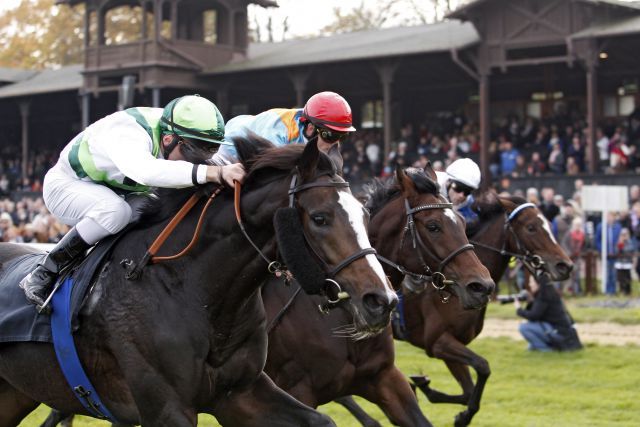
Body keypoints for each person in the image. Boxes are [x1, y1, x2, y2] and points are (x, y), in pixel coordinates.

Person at [20, 95, 246, 309]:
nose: (193, 162)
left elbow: (220, 163)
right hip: (66, 186)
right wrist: (212, 173)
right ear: (168, 139)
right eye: (191, 156)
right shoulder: (128, 130)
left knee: (155, 213)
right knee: (115, 212)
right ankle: (44, 272)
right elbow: (146, 172)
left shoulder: (180, 132)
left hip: (117, 191)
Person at [213, 91, 356, 164]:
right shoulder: (277, 134)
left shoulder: (313, 119)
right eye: (331, 136)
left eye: (342, 136)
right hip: (229, 148)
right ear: (311, 128)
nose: (335, 143)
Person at [515, 274, 582, 352]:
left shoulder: (543, 297)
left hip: (559, 333)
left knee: (524, 327)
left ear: (538, 284)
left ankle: (545, 349)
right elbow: (536, 314)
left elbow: (533, 316)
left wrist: (519, 309)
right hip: (563, 333)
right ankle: (534, 347)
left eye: (531, 282)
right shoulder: (551, 294)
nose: (530, 284)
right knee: (531, 324)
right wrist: (531, 302)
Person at [435, 158, 481, 224]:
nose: (461, 195)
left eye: (467, 191)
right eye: (458, 188)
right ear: (448, 182)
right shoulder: (432, 183)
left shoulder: (469, 203)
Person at [615, 228, 635, 296]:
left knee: (627, 278)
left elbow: (630, 250)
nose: (624, 236)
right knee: (620, 278)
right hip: (620, 263)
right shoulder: (619, 242)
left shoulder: (630, 242)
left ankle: (628, 291)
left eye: (625, 234)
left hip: (627, 262)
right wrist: (620, 244)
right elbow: (616, 251)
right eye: (622, 235)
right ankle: (622, 291)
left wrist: (624, 245)